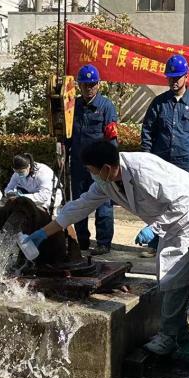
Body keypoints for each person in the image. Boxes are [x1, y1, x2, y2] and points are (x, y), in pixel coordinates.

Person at [24, 141, 189, 357]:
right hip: (172, 218)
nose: (91, 174)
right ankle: (180, 333)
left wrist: (154, 229)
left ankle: (169, 336)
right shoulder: (106, 181)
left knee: (173, 274)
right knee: (168, 274)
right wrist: (44, 232)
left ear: (106, 168)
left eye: (91, 170)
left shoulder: (144, 170)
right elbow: (80, 206)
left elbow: (184, 203)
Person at [69, 64, 119, 255]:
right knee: (79, 202)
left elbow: (112, 138)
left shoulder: (106, 107)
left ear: (98, 84)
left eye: (92, 84)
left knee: (103, 203)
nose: (89, 88)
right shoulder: (73, 106)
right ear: (79, 86)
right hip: (79, 164)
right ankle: (81, 240)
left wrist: (112, 165)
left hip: (100, 166)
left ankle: (103, 243)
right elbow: (66, 135)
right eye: (85, 85)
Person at [140, 54, 189, 177]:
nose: (173, 81)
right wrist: (146, 155)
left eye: (177, 77)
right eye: (170, 77)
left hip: (186, 165)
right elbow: (147, 130)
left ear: (186, 77)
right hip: (161, 163)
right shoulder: (159, 103)